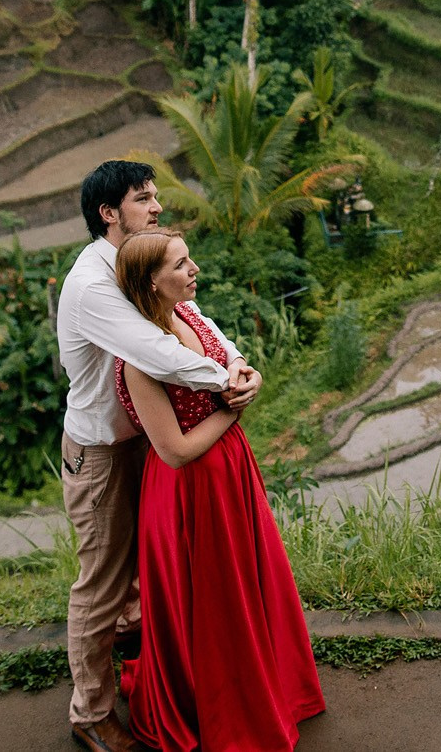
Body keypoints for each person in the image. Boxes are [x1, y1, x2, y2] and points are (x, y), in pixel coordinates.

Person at [55, 161, 263, 752]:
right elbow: (157, 351)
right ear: (108, 213)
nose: (157, 206)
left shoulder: (135, 265)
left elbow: (190, 321)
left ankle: (142, 657)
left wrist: (236, 362)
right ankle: (91, 712)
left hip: (143, 440)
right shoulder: (94, 283)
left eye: (155, 196)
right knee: (101, 582)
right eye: (143, 198)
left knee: (144, 576)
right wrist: (229, 384)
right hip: (101, 452)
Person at [113, 228, 323, 752]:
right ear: (150, 283)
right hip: (190, 490)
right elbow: (175, 451)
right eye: (181, 265)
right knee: (214, 605)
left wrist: (246, 377)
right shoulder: (138, 359)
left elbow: (229, 359)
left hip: (229, 470)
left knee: (248, 585)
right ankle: (226, 708)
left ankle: (271, 685)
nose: (194, 270)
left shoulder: (187, 314)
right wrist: (234, 410)